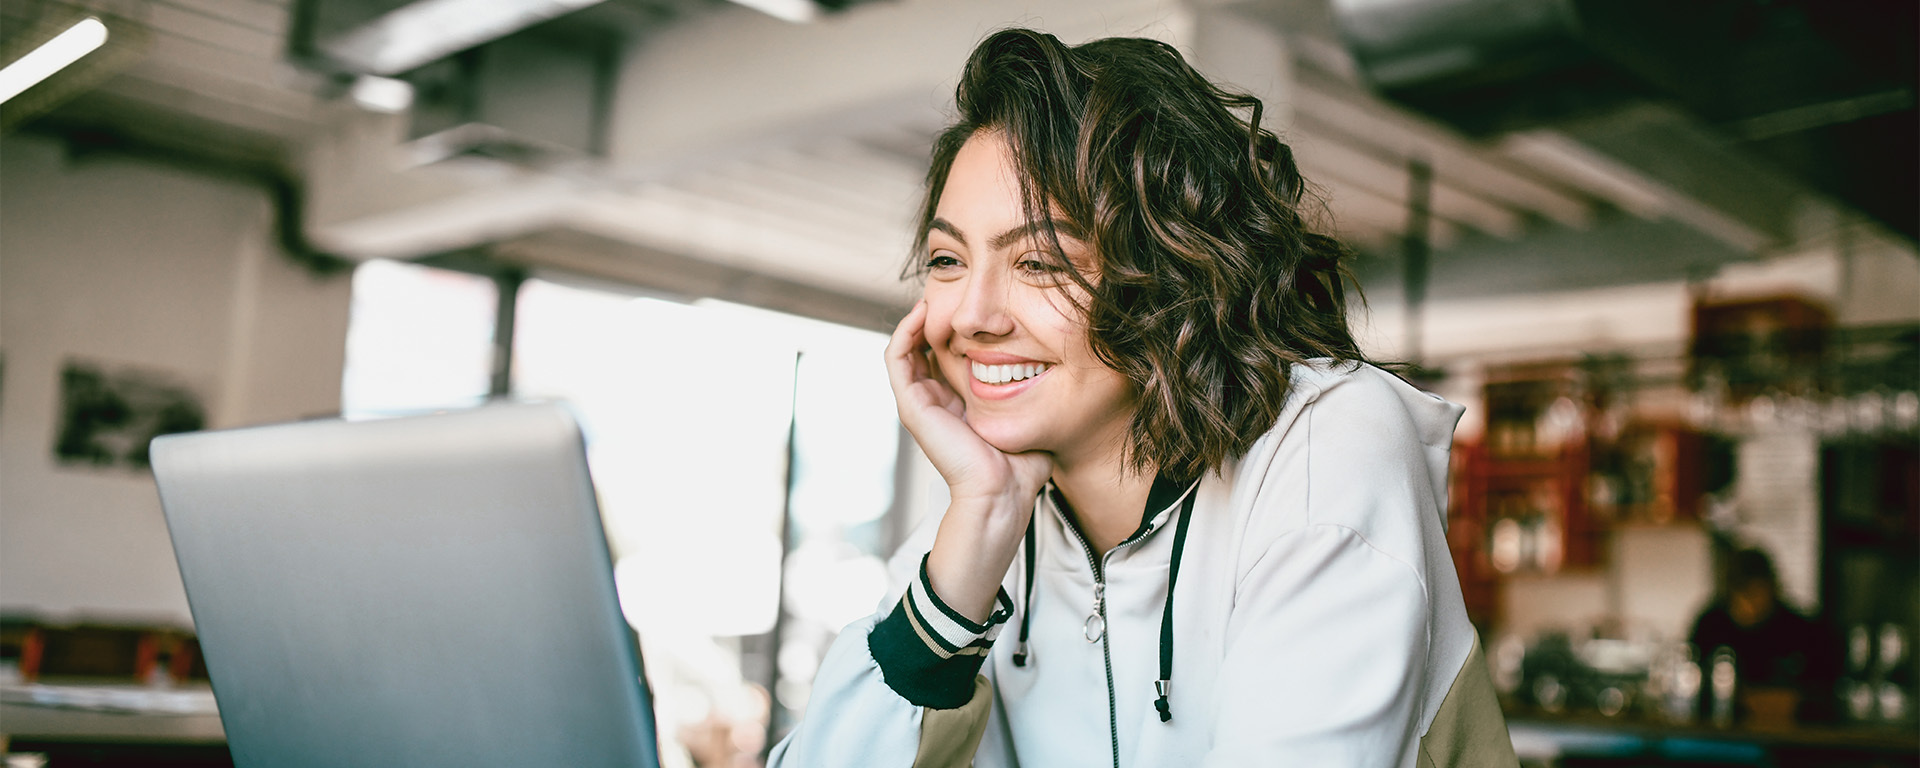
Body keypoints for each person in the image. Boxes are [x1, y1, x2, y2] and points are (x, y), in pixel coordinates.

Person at [767, 28, 1515, 767]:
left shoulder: (1326, 446)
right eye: (946, 258)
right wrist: (982, 522)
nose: (969, 316)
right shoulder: (989, 500)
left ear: (1170, 272)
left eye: (1039, 260)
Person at [1689, 547, 1839, 723]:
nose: (1750, 604)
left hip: (1789, 738)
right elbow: (1690, 682)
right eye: (1743, 594)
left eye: (1757, 593)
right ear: (1729, 594)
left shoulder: (1804, 631)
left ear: (1773, 588)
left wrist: (1795, 700)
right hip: (1723, 735)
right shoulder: (1711, 625)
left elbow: (1829, 691)